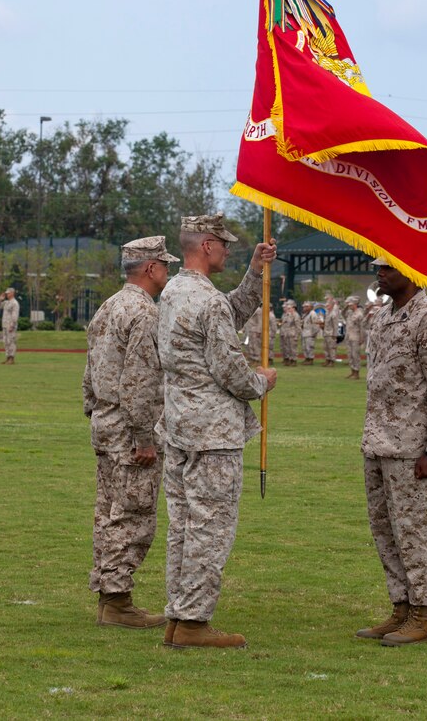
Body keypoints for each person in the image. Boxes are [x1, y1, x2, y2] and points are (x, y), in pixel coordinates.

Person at [157, 213, 277, 650]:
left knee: (184, 526)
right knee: (210, 528)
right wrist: (262, 381)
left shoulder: (173, 291)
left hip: (179, 426)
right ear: (206, 245)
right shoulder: (205, 301)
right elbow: (231, 370)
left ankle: (178, 615)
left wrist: (254, 271)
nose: (228, 250)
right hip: (212, 432)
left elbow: (229, 312)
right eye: (224, 244)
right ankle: (192, 624)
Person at [357, 260, 427, 646]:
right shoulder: (384, 317)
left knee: (414, 531)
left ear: (411, 271)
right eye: (376, 267)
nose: (379, 273)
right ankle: (400, 607)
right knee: (384, 530)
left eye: (387, 268)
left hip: (411, 449)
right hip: (378, 442)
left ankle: (422, 614)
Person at [82, 236, 180, 628]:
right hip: (128, 430)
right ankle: (118, 600)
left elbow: (90, 369)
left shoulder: (109, 306)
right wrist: (144, 437)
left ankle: (110, 597)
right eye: (165, 266)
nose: (168, 273)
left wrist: (92, 407)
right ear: (151, 268)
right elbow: (140, 381)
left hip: (105, 423)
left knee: (108, 513)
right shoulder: (144, 313)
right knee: (133, 515)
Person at [0, 287, 20, 364]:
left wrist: (12, 325)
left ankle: (11, 358)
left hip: (10, 325)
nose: (6, 294)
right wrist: (0, 299)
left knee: (11, 341)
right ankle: (8, 357)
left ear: (12, 293)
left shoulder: (15, 303)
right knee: (6, 342)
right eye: (6, 293)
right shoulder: (6, 302)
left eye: (8, 293)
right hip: (5, 325)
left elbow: (15, 315)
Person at [344, 296, 365, 379]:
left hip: (356, 337)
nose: (349, 306)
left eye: (351, 305)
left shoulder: (359, 314)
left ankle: (357, 373)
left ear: (355, 304)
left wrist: (361, 338)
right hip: (349, 336)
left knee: (355, 355)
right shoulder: (350, 312)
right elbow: (342, 313)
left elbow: (362, 327)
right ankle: (352, 371)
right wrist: (346, 306)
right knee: (350, 355)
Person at [280, 300, 301, 365]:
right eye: (288, 308)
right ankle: (290, 359)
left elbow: (298, 326)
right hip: (287, 334)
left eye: (289, 308)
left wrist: (297, 335)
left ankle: (294, 360)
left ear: (293, 308)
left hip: (293, 334)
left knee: (293, 348)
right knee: (288, 348)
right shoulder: (288, 315)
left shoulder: (296, 315)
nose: (288, 309)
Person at [322, 295, 341, 366]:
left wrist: (334, 334)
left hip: (331, 334)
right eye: (326, 306)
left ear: (332, 306)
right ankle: (327, 359)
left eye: (328, 306)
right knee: (326, 347)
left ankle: (332, 361)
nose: (326, 307)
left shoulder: (333, 314)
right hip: (326, 333)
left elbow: (335, 325)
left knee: (331, 348)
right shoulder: (327, 313)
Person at [301, 300, 321, 364]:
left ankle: (310, 359)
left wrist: (313, 334)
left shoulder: (313, 313)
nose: (305, 308)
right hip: (305, 333)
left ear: (311, 307)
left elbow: (316, 325)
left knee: (309, 347)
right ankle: (307, 358)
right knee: (304, 347)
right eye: (304, 307)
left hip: (310, 333)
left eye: (307, 306)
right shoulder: (305, 314)